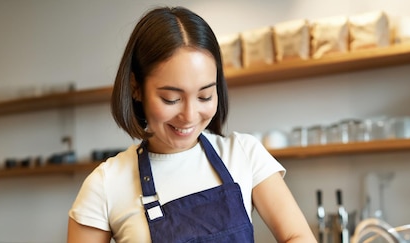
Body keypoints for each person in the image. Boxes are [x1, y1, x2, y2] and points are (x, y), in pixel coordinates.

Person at [67, 6, 316, 243]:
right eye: (171, 98)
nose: (189, 115)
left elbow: (298, 236)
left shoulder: (244, 154)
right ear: (136, 88)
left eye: (204, 96)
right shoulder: (105, 184)